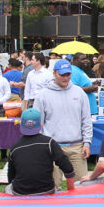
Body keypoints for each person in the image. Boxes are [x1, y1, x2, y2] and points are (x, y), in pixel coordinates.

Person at [33, 60, 92, 189]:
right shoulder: (43, 95)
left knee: (82, 186)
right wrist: (42, 146)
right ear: (54, 73)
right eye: (62, 74)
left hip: (77, 146)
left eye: (68, 74)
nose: (65, 78)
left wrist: (87, 142)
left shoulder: (79, 93)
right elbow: (38, 123)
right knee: (53, 186)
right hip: (52, 146)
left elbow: (86, 119)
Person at [7, 109, 75, 195]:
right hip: (46, 190)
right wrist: (71, 191)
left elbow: (10, 176)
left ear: (21, 125)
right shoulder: (49, 143)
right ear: (40, 125)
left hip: (20, 192)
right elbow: (68, 167)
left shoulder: (15, 147)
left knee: (8, 188)